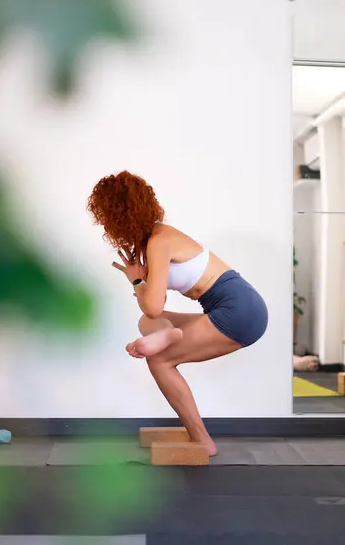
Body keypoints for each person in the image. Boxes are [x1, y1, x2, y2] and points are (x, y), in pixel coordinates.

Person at [87, 171, 268, 456]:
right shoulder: (152, 241)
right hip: (235, 307)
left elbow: (153, 303)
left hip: (240, 311)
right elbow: (150, 310)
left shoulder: (159, 242)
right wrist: (140, 279)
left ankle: (202, 441)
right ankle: (169, 333)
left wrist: (136, 281)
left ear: (117, 216)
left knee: (159, 361)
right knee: (146, 322)